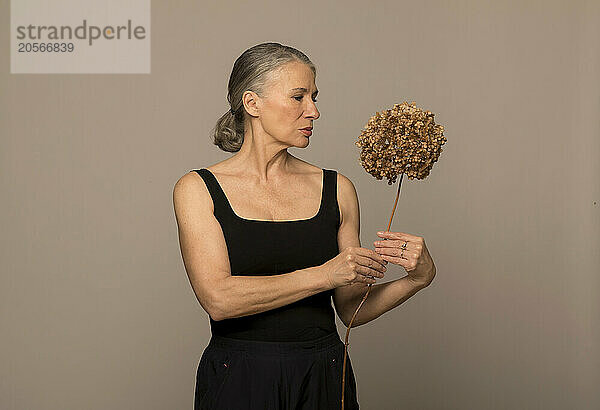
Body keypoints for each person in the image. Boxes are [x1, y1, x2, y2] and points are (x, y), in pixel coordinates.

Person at [173, 42, 436, 410]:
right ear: (252, 104)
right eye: (298, 97)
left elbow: (350, 309)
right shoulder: (198, 189)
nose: (313, 111)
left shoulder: (338, 189)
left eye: (313, 97)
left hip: (324, 374)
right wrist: (325, 275)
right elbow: (219, 300)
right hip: (240, 376)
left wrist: (416, 279)